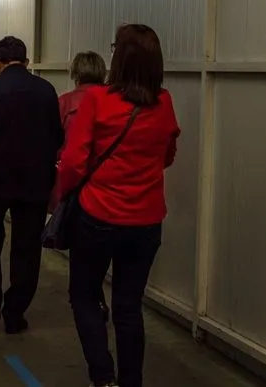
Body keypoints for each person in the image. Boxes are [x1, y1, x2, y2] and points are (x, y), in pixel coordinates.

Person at [57, 24, 180, 387]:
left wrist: (63, 196)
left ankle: (103, 376)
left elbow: (74, 162)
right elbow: (167, 156)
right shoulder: (165, 102)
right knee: (129, 308)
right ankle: (131, 381)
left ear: (119, 58)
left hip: (97, 216)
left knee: (84, 296)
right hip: (145, 222)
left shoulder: (98, 99)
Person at [0, 36, 63, 334]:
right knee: (27, 247)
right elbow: (57, 137)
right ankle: (15, 312)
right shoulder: (46, 91)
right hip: (33, 181)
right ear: (27, 62)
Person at [52, 51, 111, 324]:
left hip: (75, 183)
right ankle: (97, 291)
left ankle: (87, 296)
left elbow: (57, 146)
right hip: (109, 185)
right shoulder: (115, 102)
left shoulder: (65, 103)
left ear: (75, 72)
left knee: (80, 247)